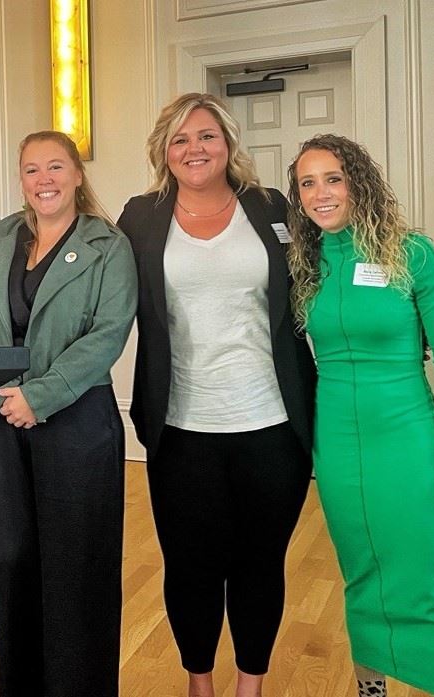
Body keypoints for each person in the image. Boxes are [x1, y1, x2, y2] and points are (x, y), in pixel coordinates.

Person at [115, 92, 316, 697]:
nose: (193, 149)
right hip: (180, 427)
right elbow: (97, 293)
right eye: (179, 139)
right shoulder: (140, 216)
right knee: (190, 567)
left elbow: (321, 286)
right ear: (163, 152)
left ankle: (248, 687)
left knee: (260, 564)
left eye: (205, 136)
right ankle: (200, 685)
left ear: (228, 144)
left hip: (273, 423)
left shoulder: (271, 207)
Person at [287, 134, 434, 697]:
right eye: (307, 183)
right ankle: (372, 690)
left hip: (407, 439)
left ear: (358, 182)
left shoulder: (410, 253)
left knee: (426, 576)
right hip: (340, 446)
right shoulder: (309, 263)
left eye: (333, 178)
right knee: (362, 572)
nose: (321, 193)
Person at [0, 130, 137, 697]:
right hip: (4, 418)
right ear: (21, 178)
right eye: (32, 170)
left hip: (78, 422)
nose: (45, 181)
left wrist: (42, 395)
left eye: (56, 167)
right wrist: (8, 393)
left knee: (75, 567)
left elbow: (108, 335)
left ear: (78, 175)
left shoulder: (108, 245)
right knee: (10, 558)